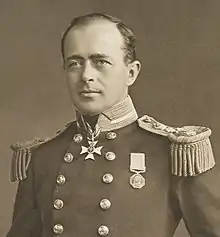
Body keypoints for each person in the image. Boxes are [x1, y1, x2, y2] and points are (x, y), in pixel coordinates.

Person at [7, 13, 220, 237]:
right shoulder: (44, 158)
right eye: (74, 63)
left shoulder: (174, 153)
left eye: (101, 62)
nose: (86, 75)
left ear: (131, 73)